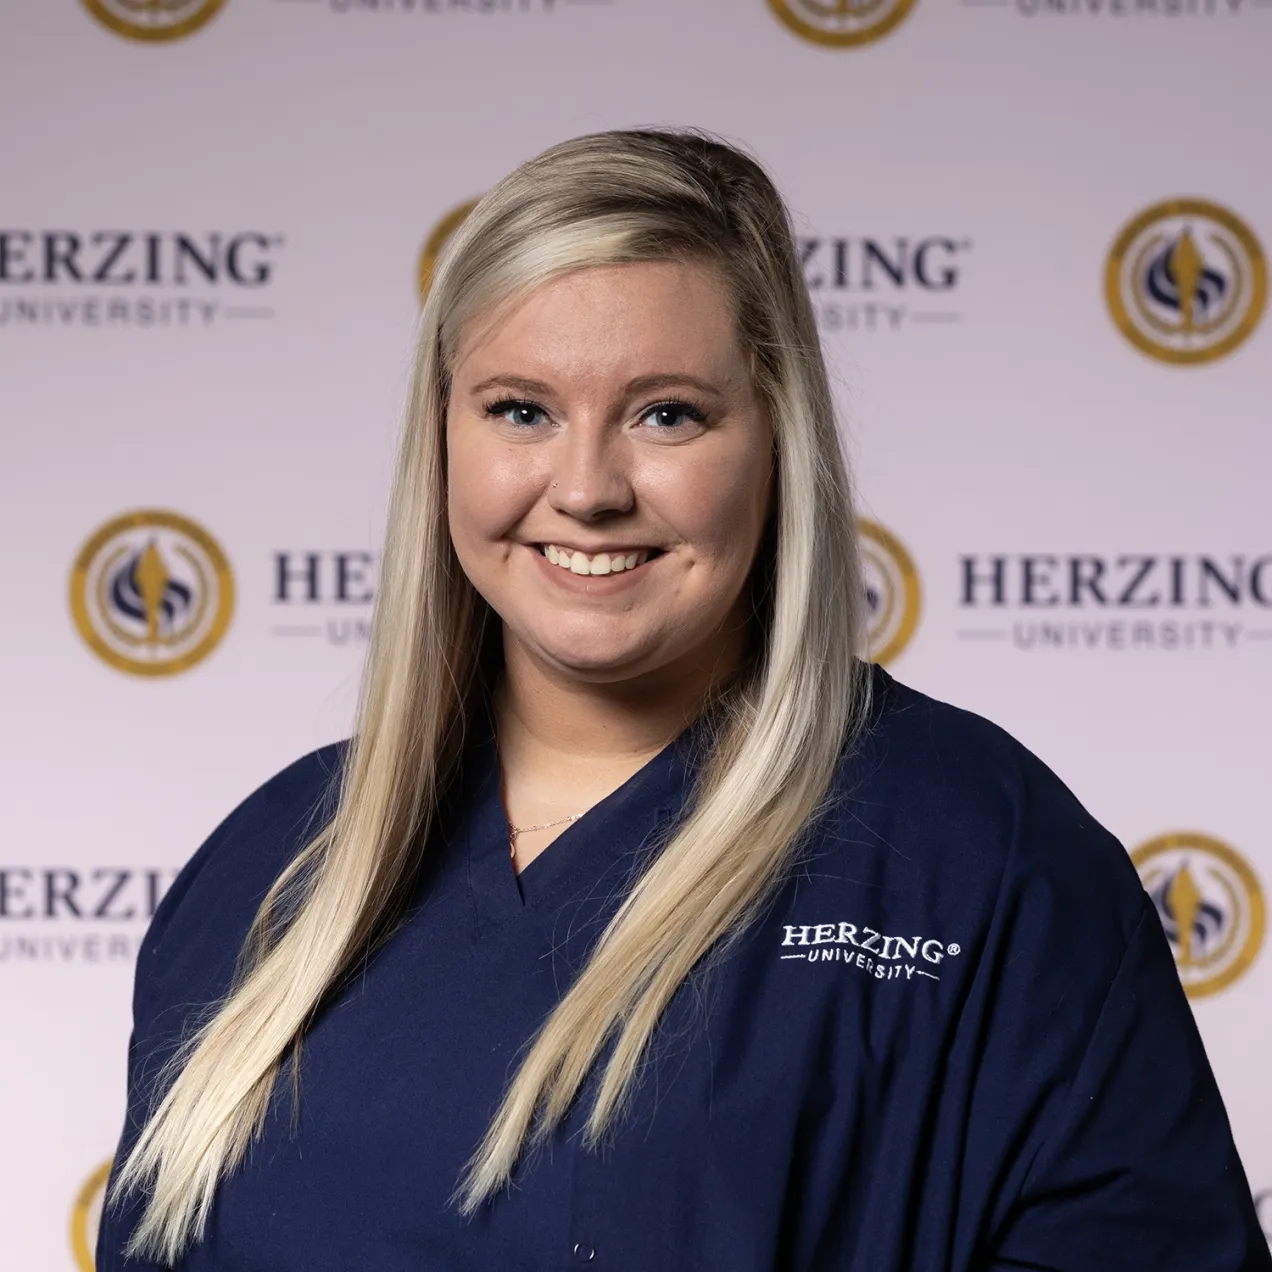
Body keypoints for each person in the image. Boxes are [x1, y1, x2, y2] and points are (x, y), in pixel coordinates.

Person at [98, 128, 1268, 1272]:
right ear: (443, 437)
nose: (588, 487)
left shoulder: (983, 860)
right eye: (520, 410)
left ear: (776, 438)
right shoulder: (266, 875)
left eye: (667, 413)